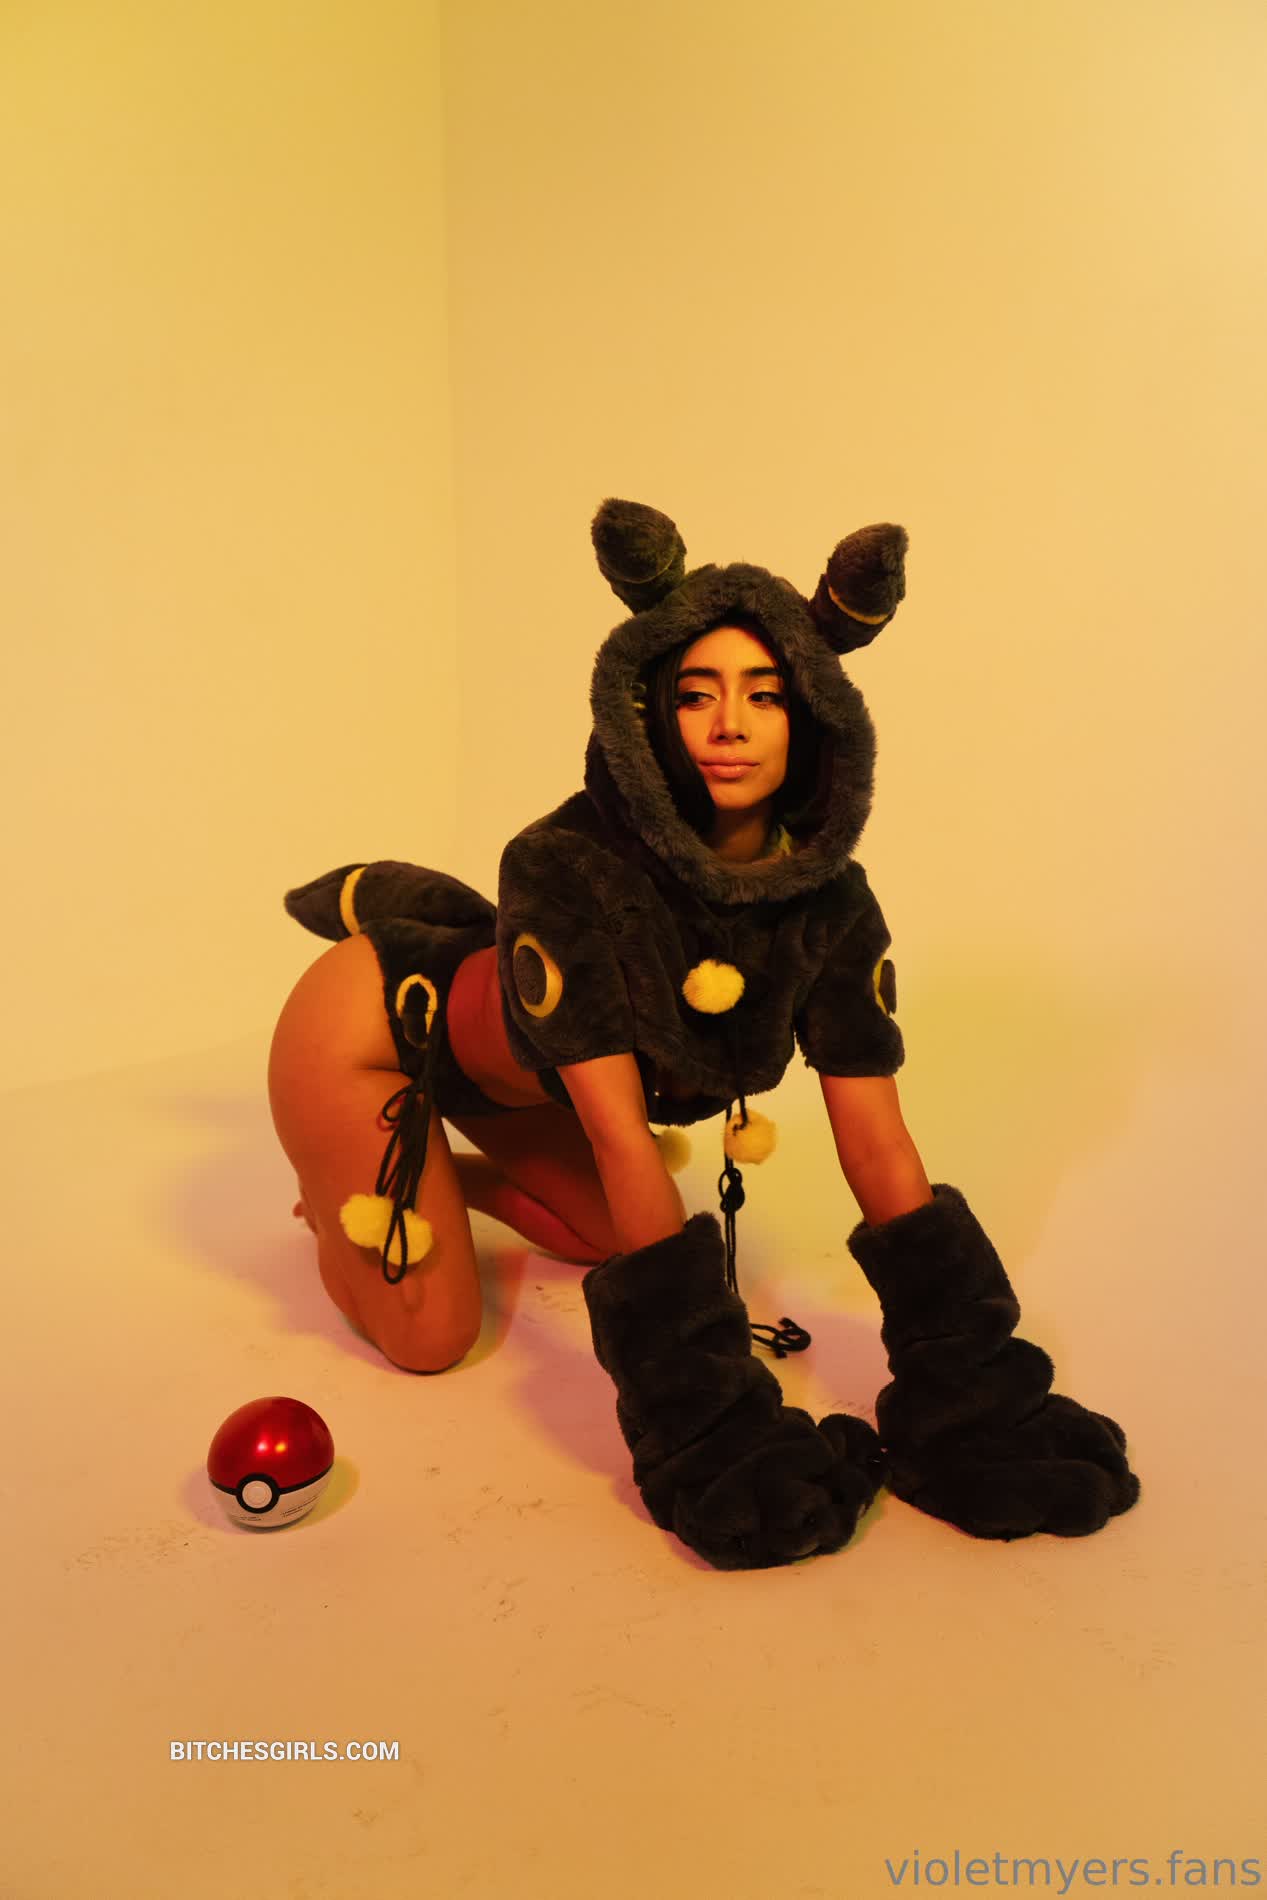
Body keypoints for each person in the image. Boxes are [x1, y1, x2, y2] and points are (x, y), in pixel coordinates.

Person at [268, 499, 1138, 1571]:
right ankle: (337, 1197)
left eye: (763, 695)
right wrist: (711, 1426)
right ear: (648, 711)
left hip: (521, 1083)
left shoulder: (830, 903)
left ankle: (461, 1180)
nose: (729, 725)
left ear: (811, 714)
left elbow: (877, 1142)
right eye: (696, 694)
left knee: (612, 1238)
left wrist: (973, 1388)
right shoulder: (565, 867)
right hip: (373, 1034)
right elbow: (619, 1136)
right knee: (431, 1337)